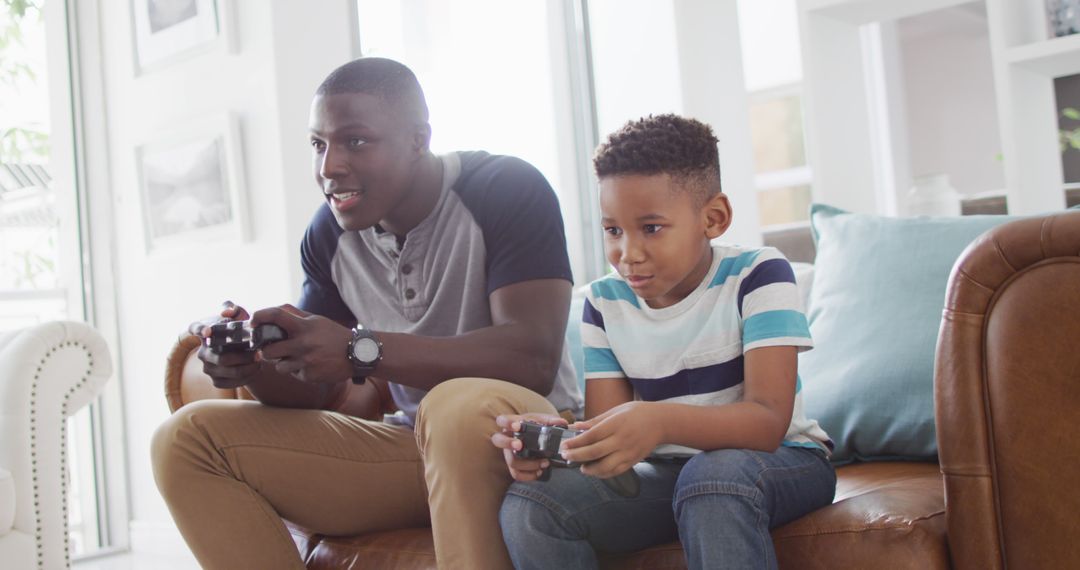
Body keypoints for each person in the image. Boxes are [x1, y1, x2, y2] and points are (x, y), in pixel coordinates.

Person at [151, 57, 583, 570]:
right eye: (318, 144)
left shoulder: (506, 187)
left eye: (355, 141)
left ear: (418, 139)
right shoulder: (328, 235)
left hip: (526, 446)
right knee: (187, 438)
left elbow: (530, 356)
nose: (328, 166)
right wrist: (260, 365)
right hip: (416, 449)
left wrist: (362, 350)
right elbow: (318, 392)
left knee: (452, 405)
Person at [491, 114, 836, 569]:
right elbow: (613, 427)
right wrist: (563, 442)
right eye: (613, 230)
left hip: (782, 461)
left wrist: (657, 421)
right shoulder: (603, 302)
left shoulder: (759, 274)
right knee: (535, 505)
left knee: (710, 477)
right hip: (670, 474)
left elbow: (768, 421)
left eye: (650, 228)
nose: (627, 254)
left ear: (713, 218)